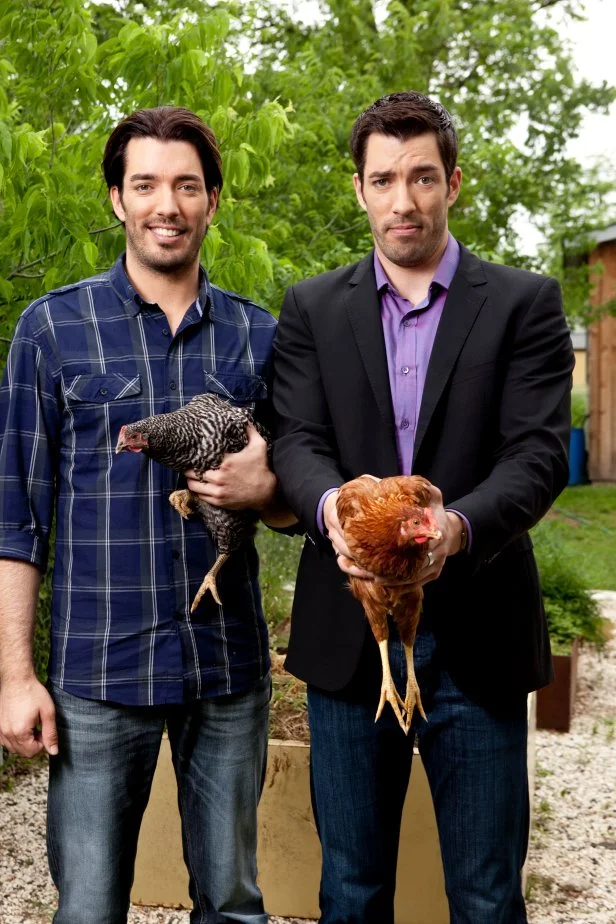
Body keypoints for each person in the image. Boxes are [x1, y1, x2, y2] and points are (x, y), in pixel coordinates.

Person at [272, 91, 574, 924]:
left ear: (454, 183)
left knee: (483, 896)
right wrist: (335, 508)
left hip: (478, 630)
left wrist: (455, 528)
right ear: (359, 190)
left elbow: (539, 454)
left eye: (422, 177)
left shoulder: (523, 304)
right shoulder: (312, 308)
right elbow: (294, 439)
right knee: (351, 892)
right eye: (383, 179)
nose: (403, 200)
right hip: (347, 630)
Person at [0, 106, 292, 924]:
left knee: (233, 902)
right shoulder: (51, 329)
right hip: (99, 675)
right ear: (116, 201)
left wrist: (268, 489)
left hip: (226, 668)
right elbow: (15, 520)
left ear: (213, 201)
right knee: (89, 907)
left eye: (187, 185)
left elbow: (292, 510)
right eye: (147, 184)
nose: (168, 203)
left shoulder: (260, 336)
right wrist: (16, 677)